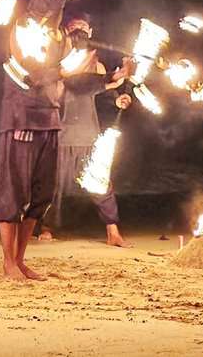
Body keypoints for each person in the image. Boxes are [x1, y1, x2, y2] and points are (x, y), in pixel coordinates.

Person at [0, 0, 71, 281]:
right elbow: (26, 73)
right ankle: (8, 262)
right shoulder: (21, 28)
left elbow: (67, 69)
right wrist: (60, 71)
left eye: (61, 0)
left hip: (50, 120)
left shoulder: (59, 36)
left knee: (41, 194)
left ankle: (20, 260)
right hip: (21, 117)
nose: (57, 5)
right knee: (13, 190)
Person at [38, 17, 133, 246]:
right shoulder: (58, 63)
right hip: (61, 133)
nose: (78, 31)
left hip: (89, 132)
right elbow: (63, 88)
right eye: (73, 28)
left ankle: (113, 230)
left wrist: (118, 98)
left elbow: (101, 91)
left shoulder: (97, 65)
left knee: (99, 180)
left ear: (90, 31)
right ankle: (46, 227)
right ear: (65, 32)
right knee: (54, 184)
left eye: (82, 27)